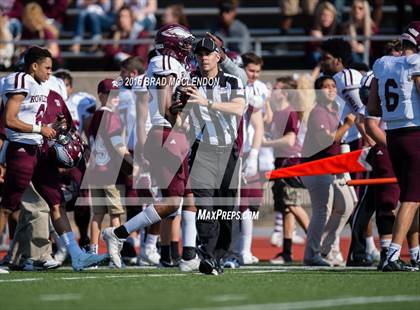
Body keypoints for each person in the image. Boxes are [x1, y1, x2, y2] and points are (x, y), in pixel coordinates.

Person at [102, 24, 200, 273]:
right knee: (172, 202)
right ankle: (118, 233)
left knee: (188, 198)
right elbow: (167, 106)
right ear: (171, 43)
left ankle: (189, 256)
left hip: (174, 132)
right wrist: (184, 115)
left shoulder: (176, 65)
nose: (188, 47)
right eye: (184, 42)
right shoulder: (164, 62)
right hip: (166, 132)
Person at [0, 46, 107, 271]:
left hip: (37, 150)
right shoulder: (20, 80)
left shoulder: (40, 86)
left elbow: (33, 119)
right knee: (8, 206)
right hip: (21, 148)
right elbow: (9, 119)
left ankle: (76, 255)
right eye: (47, 68)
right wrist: (40, 129)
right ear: (34, 66)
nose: (50, 73)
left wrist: (52, 128)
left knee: (55, 201)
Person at [186, 36, 246, 275]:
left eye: (207, 53)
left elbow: (239, 108)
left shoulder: (232, 81)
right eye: (199, 54)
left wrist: (207, 102)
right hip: (202, 151)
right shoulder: (190, 80)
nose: (203, 58)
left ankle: (220, 255)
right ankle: (207, 256)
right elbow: (180, 112)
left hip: (227, 151)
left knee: (225, 209)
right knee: (204, 205)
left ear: (218, 56)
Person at [366, 21, 420, 271]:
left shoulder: (383, 63)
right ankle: (392, 255)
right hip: (415, 134)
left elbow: (374, 108)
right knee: (412, 197)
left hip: (394, 136)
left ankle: (416, 253)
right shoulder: (415, 63)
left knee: (413, 196)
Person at [301, 76, 356, 266]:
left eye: (333, 86)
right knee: (321, 211)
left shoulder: (333, 110)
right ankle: (312, 254)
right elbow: (326, 141)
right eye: (326, 87)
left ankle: (325, 248)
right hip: (315, 167)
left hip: (330, 168)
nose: (331, 89)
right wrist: (348, 125)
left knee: (347, 205)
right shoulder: (318, 112)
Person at [264, 77, 310, 265]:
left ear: (285, 93)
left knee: (293, 205)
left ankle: (321, 246)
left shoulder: (289, 112)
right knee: (286, 209)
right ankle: (287, 252)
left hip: (290, 162)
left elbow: (290, 141)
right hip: (282, 162)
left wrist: (265, 143)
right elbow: (267, 121)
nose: (273, 90)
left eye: (276, 88)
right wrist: (265, 100)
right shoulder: (279, 112)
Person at [306, 2, 339, 67]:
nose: (327, 18)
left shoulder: (338, 28)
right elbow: (310, 50)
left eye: (330, 16)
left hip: (332, 56)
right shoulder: (312, 28)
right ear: (319, 15)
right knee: (316, 56)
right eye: (324, 15)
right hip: (318, 58)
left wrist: (322, 40)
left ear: (333, 17)